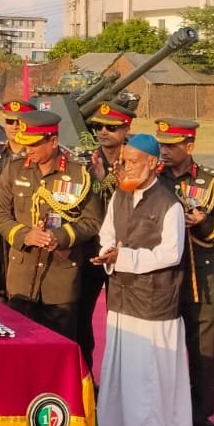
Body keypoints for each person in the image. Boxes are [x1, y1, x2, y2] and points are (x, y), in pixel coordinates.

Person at [96, 134, 189, 426]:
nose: (125, 167)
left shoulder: (169, 203)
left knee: (148, 373)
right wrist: (108, 252)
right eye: (123, 162)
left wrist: (124, 257)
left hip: (154, 298)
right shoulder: (121, 195)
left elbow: (171, 253)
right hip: (122, 294)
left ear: (152, 164)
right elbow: (107, 233)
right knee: (120, 368)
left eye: (132, 162)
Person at [154, 119, 214, 426]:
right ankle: (164, 420)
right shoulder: (153, 178)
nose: (165, 150)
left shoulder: (212, 181)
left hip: (198, 281)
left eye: (172, 145)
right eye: (162, 144)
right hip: (160, 281)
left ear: (189, 146)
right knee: (161, 355)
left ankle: (201, 425)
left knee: (202, 357)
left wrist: (206, 224)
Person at [0, 110, 103, 337]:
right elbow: (0, 214)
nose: (28, 150)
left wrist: (60, 237)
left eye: (34, 144)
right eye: (26, 144)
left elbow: (93, 221)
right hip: (21, 278)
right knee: (21, 348)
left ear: (53, 141)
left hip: (59, 280)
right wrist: (24, 235)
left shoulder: (78, 174)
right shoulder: (14, 170)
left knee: (59, 345)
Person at [77, 97, 136, 371]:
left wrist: (106, 180)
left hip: (125, 252)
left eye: (111, 128)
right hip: (89, 250)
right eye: (99, 126)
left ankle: (120, 382)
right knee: (79, 319)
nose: (102, 132)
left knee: (122, 322)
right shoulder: (84, 161)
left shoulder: (139, 161)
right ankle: (86, 381)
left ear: (126, 129)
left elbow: (135, 202)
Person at [0, 99, 36, 301]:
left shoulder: (36, 155)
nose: (13, 127)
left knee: (23, 296)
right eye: (9, 122)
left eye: (18, 122)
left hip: (26, 233)